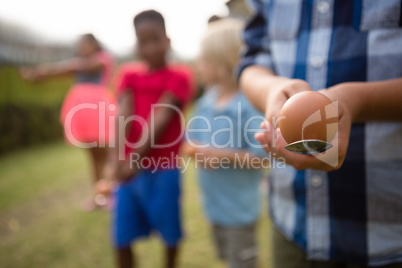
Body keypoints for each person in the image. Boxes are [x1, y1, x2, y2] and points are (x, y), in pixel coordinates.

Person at [238, 1, 402, 267]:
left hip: (388, 233)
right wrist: (271, 90)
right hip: (293, 224)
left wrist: (355, 100)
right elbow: (252, 63)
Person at [109, 10, 194, 268]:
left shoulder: (180, 76)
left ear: (167, 40)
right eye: (142, 41)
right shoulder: (128, 74)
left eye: (154, 39)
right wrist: (116, 161)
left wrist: (132, 160)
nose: (149, 47)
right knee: (121, 237)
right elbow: (123, 114)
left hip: (163, 169)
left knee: (169, 235)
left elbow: (161, 118)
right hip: (128, 171)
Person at [182, 18, 265, 268]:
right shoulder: (206, 101)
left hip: (240, 211)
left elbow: (262, 157)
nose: (198, 66)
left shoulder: (249, 105)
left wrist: (219, 154)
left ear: (222, 62)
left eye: (203, 59)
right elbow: (190, 141)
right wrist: (195, 150)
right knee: (227, 258)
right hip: (214, 208)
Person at [20, 33, 116, 211]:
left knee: (107, 153)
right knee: (93, 156)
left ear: (95, 44)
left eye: (86, 44)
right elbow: (72, 69)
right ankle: (100, 196)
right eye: (81, 44)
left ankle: (113, 193)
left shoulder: (102, 59)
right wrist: (41, 74)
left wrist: (45, 71)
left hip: (98, 108)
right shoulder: (80, 62)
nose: (83, 47)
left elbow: (78, 67)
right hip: (83, 109)